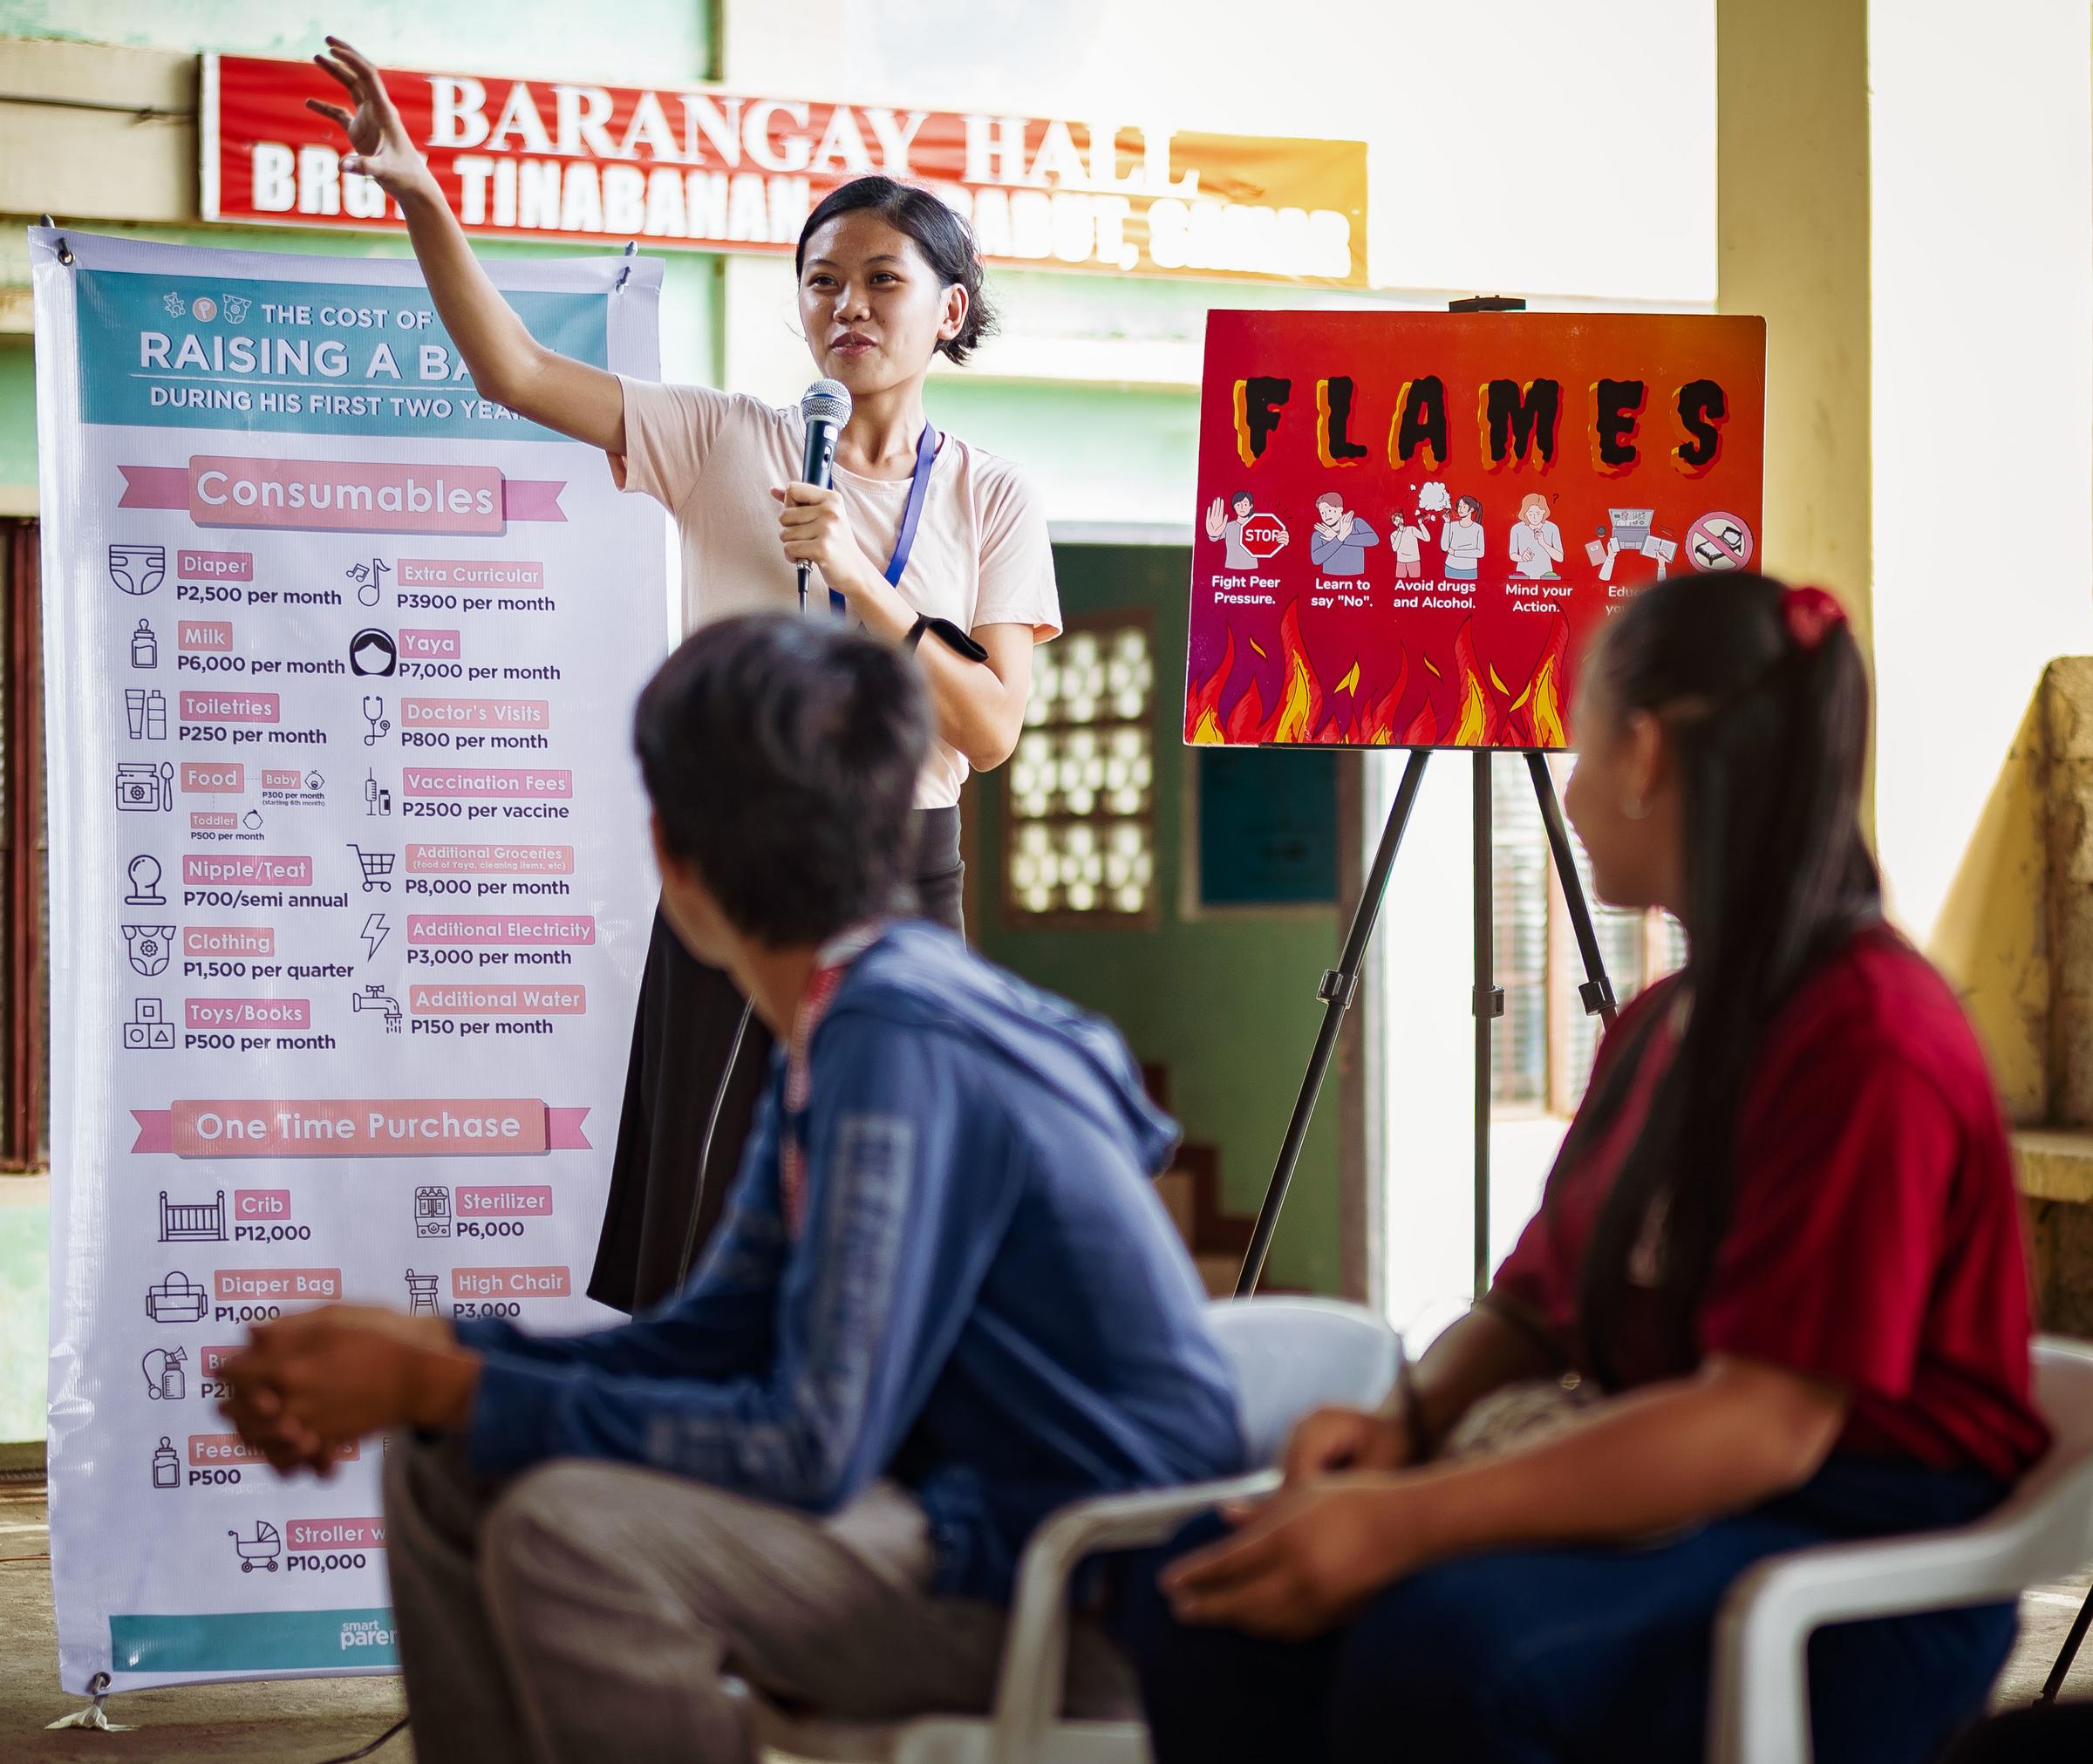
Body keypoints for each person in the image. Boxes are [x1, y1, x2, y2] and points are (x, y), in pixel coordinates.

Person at [217, 614, 1244, 1764]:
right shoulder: (846, 1019)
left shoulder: (895, 1038)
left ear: (672, 855)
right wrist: (436, 1356)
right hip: (974, 1519)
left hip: (1080, 1583)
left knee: (570, 1538)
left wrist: (441, 1374)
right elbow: (713, 1337)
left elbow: (811, 1443)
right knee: (443, 1451)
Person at [1115, 575, 2051, 1764]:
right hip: (1675, 1490)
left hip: (1849, 1557)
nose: (1567, 781)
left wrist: (1401, 1524)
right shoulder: (1659, 1024)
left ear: (1646, 753)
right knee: (1205, 1584)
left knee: (1442, 1649)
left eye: (1579, 733)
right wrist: (1405, 1420)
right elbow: (1528, 1305)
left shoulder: (1872, 1036)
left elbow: (1760, 1426)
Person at [310, 38, 1060, 1314]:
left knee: (894, 1200)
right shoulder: (727, 438)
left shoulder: (992, 494)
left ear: (951, 306)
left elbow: (989, 729)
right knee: (702, 1210)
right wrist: (427, 199)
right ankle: (685, 1457)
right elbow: (518, 374)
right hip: (738, 856)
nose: (850, 308)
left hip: (899, 855)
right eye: (823, 282)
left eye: (885, 280)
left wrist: (869, 582)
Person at [1308, 492, 1379, 577]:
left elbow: (1374, 539)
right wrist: (1339, 538)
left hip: (1358, 579)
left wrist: (1337, 537)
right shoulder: (1319, 534)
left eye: (1329, 510)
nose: (1326, 515)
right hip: (1328, 580)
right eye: (1322, 513)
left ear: (1340, 509)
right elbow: (1316, 560)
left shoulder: (1356, 523)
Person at [1508, 490, 1565, 578]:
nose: (1534, 518)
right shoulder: (1517, 529)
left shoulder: (1552, 528)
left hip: (1546, 575)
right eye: (1530, 514)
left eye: (1538, 513)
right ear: (1525, 514)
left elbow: (1560, 558)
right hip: (1523, 575)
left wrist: (1543, 544)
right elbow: (1512, 555)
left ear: (1544, 512)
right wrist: (1522, 557)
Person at [1437, 491, 1485, 577]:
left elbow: (1480, 553)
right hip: (1450, 568)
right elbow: (1444, 547)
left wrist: (1456, 553)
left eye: (1464, 507)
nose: (1460, 509)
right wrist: (1447, 523)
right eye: (1459, 506)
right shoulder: (1452, 525)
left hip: (1470, 569)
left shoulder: (1478, 529)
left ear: (1471, 510)